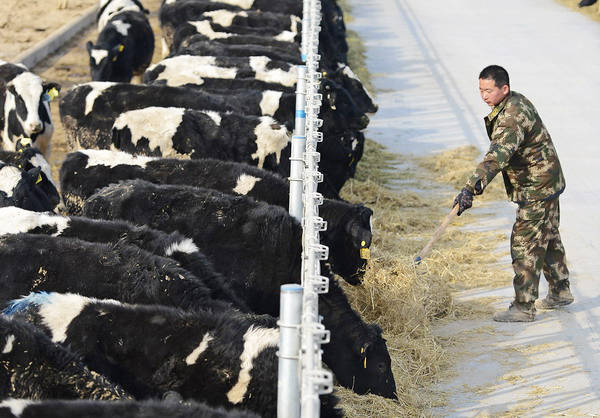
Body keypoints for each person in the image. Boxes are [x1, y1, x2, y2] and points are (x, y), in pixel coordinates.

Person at [453, 65, 573, 322]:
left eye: (489, 90)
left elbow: (497, 155)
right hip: (548, 180)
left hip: (536, 186)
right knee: (548, 235)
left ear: (503, 89)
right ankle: (560, 291)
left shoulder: (511, 116)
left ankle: (523, 307)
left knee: (525, 244)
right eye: (481, 90)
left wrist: (470, 188)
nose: (484, 96)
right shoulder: (513, 100)